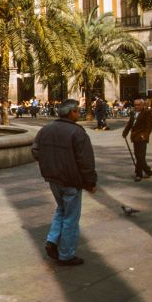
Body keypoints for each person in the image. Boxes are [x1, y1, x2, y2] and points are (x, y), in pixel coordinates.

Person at [32, 99, 97, 266]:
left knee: (61, 209)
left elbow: (35, 151)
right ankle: (66, 254)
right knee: (71, 218)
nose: (79, 113)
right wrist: (90, 182)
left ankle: (52, 240)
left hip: (53, 179)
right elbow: (86, 161)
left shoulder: (46, 129)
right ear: (72, 112)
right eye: (78, 111)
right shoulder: (77, 132)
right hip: (71, 181)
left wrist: (49, 164)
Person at [122, 98, 152, 182]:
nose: (136, 106)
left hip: (142, 138)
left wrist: (145, 135)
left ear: (142, 105)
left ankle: (138, 174)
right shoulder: (133, 113)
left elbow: (149, 126)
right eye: (135, 105)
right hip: (135, 137)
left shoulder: (147, 113)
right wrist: (125, 132)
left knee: (140, 156)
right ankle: (148, 171)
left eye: (138, 105)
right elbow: (130, 124)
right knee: (138, 156)